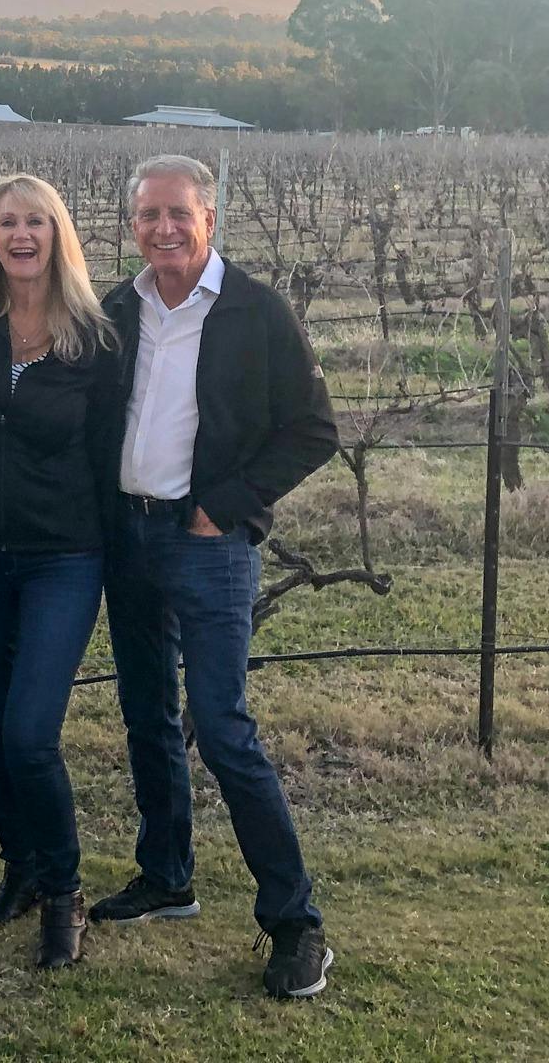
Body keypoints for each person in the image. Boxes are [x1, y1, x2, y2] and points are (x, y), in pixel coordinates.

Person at [97, 154, 339, 999]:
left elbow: (313, 430)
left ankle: (296, 922)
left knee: (223, 726)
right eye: (148, 216)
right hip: (127, 539)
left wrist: (226, 505)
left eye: (179, 214)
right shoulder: (117, 308)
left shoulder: (254, 309)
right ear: (133, 224)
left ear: (210, 218)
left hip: (207, 544)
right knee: (146, 716)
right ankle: (168, 876)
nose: (163, 229)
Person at [0, 173, 119, 969]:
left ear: (57, 235)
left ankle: (64, 893)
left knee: (30, 732)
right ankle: (18, 869)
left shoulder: (94, 334)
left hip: (64, 559)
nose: (21, 235)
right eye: (6, 222)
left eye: (35, 223)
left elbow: (114, 454)